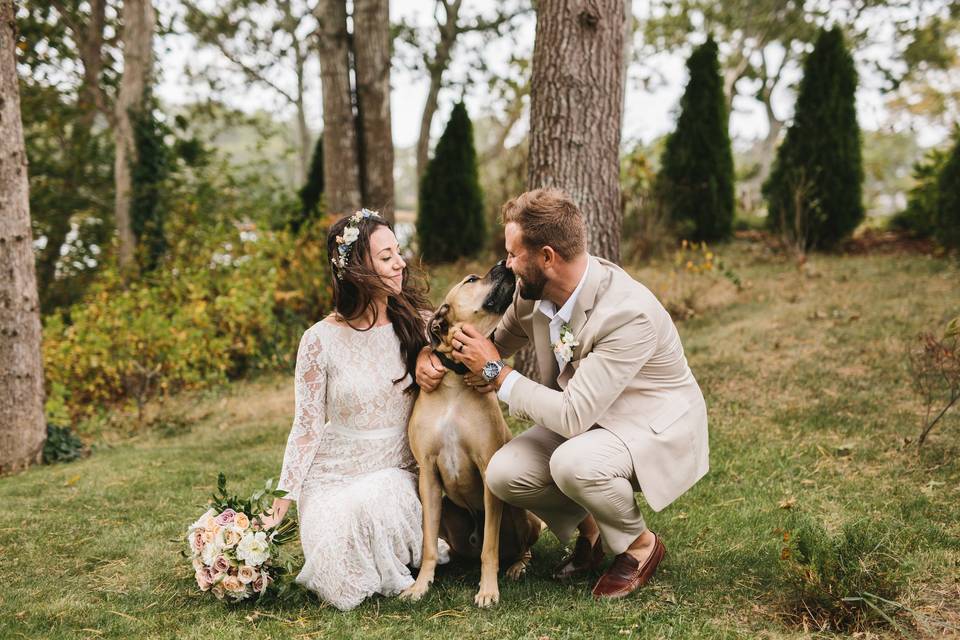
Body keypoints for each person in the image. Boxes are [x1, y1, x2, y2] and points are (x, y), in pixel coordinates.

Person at [416, 188, 709, 600]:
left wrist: (498, 375)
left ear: (548, 257)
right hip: (589, 415)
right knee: (503, 473)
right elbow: (493, 339)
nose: (506, 265)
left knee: (572, 463)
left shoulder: (627, 314)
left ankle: (638, 545)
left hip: (647, 424)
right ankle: (589, 533)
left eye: (514, 255)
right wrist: (433, 356)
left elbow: (571, 415)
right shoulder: (532, 294)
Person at [260, 209, 447, 611]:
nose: (400, 263)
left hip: (395, 470)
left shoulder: (422, 326)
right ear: (357, 268)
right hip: (331, 474)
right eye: (386, 256)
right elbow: (307, 427)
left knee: (369, 503)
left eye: (398, 252)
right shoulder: (318, 340)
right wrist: (283, 499)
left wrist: (429, 355)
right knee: (333, 545)